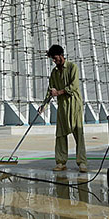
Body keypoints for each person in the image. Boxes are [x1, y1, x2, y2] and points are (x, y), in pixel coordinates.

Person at [41, 44, 87, 172]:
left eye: (55, 58)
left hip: (74, 105)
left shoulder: (72, 67)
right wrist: (44, 105)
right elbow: (50, 90)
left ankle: (82, 162)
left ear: (61, 55)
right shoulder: (54, 72)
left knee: (78, 133)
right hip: (63, 107)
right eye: (53, 59)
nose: (54, 61)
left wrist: (59, 92)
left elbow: (74, 86)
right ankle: (61, 161)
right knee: (60, 135)